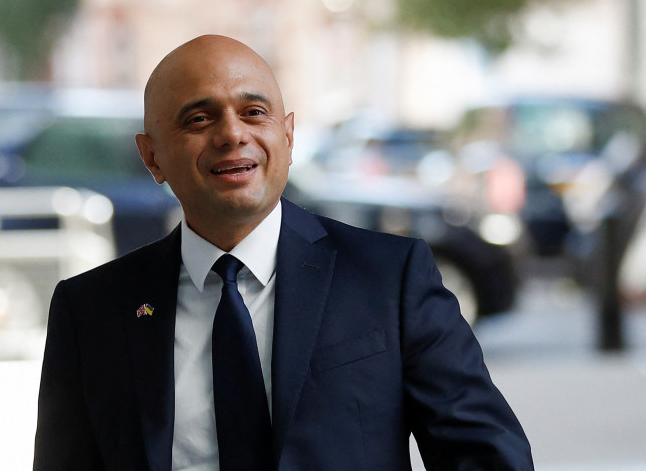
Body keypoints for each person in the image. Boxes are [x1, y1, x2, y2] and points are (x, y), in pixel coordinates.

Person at [33, 34, 533, 470]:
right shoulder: (91, 311)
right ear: (152, 156)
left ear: (288, 135)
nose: (233, 134)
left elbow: (487, 454)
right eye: (199, 119)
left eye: (254, 112)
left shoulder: (389, 277)